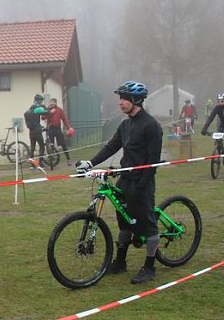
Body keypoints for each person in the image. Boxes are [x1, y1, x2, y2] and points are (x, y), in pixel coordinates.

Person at [75, 81, 163, 285]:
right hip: (125, 180)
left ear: (136, 100)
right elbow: (111, 147)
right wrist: (91, 162)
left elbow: (152, 161)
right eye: (120, 99)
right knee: (124, 222)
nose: (120, 103)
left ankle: (150, 267)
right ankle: (120, 262)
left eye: (124, 99)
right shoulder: (126, 124)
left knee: (148, 225)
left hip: (142, 182)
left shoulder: (151, 126)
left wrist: (141, 187)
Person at [200, 93, 224, 160]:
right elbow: (211, 118)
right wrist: (204, 128)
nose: (220, 103)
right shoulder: (217, 108)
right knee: (217, 138)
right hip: (223, 125)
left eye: (222, 101)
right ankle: (220, 149)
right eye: (218, 101)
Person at [45, 98, 73, 166]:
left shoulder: (59, 110)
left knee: (63, 144)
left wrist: (69, 127)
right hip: (50, 128)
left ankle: (68, 159)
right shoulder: (47, 110)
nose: (52, 103)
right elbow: (43, 117)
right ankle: (52, 160)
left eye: (54, 102)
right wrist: (50, 112)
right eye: (51, 102)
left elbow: (64, 119)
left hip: (57, 129)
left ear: (56, 103)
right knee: (50, 145)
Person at [24, 95, 47, 165]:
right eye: (41, 101)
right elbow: (47, 112)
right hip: (37, 131)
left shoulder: (30, 109)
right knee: (42, 147)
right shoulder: (37, 109)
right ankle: (40, 163)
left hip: (31, 131)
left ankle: (32, 165)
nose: (41, 102)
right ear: (39, 101)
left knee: (32, 148)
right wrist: (44, 107)